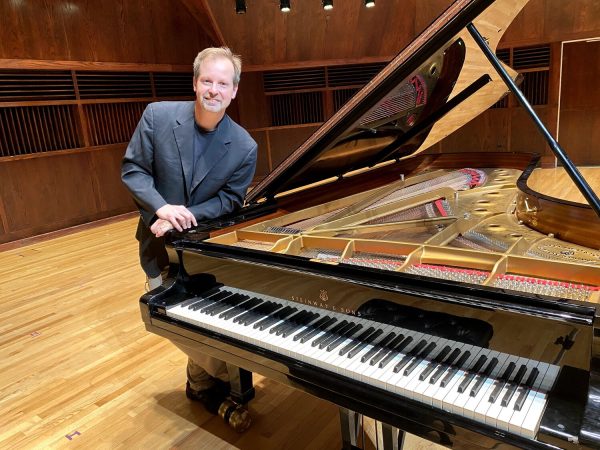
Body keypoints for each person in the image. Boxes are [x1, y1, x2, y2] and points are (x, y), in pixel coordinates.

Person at [121, 47, 257, 413]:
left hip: (204, 251)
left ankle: (198, 385)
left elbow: (230, 199)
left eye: (223, 83)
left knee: (203, 322)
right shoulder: (158, 116)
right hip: (156, 245)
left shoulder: (245, 146)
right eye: (208, 81)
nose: (214, 89)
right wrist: (161, 208)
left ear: (234, 91)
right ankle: (223, 379)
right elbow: (133, 170)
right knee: (180, 322)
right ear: (196, 84)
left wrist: (185, 214)